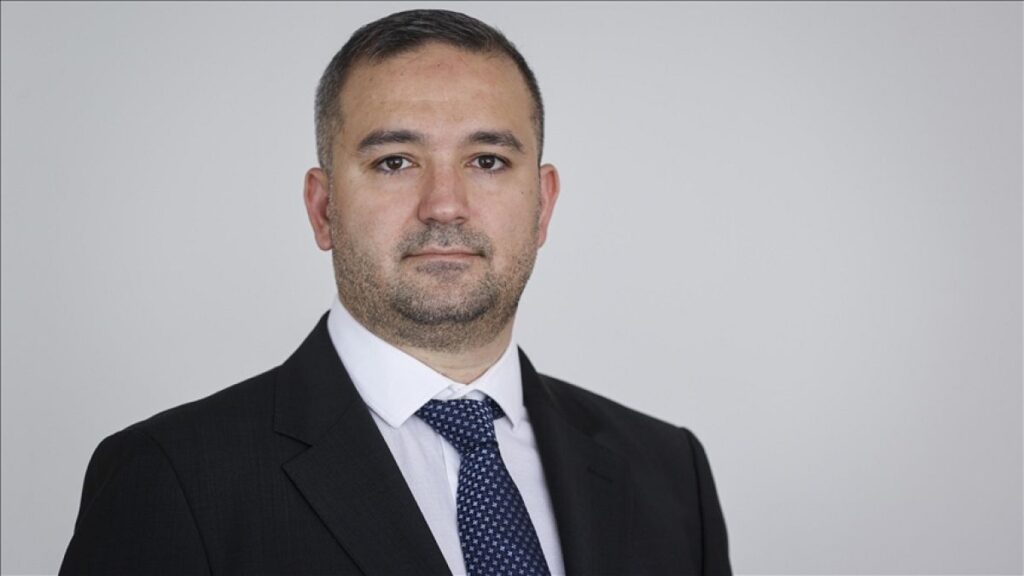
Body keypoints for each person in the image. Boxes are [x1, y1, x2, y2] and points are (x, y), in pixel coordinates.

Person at [60, 9, 731, 576]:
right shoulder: (171, 476)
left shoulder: (670, 474)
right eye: (395, 162)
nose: (445, 204)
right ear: (323, 209)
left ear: (543, 204)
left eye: (488, 161)